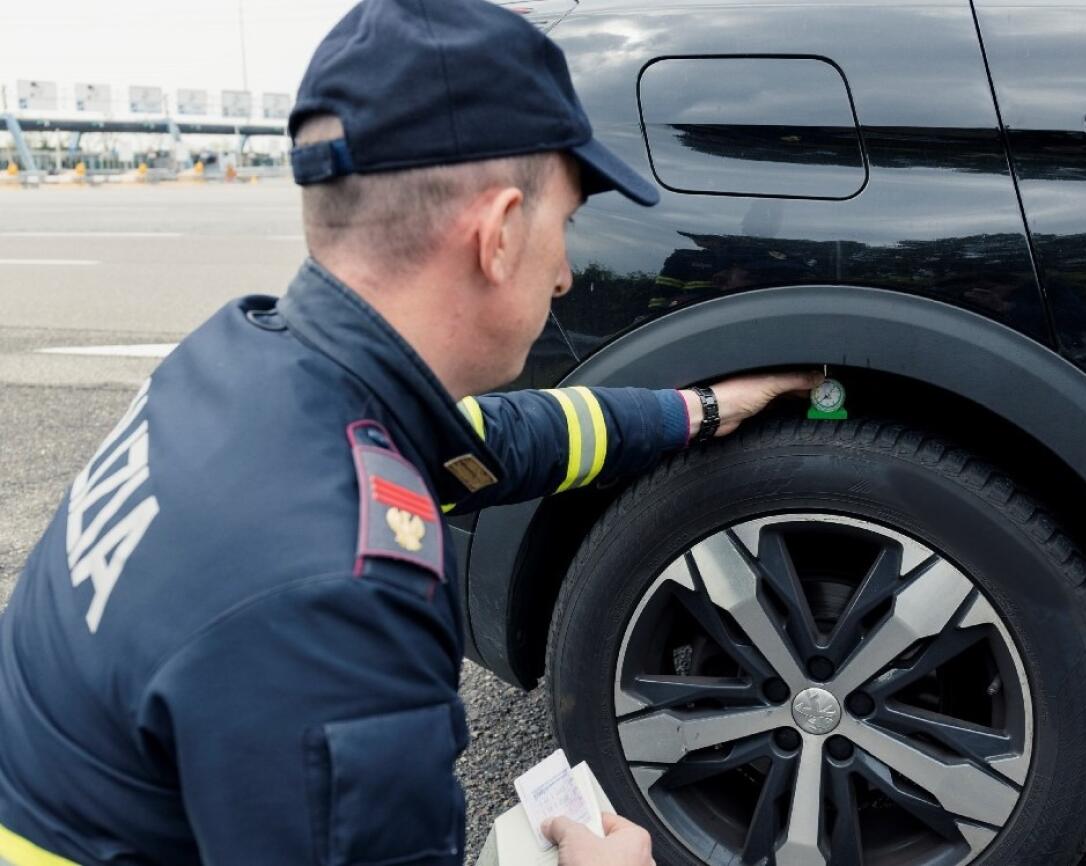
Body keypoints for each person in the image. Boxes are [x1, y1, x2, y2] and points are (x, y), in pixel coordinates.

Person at [0, 2, 822, 865]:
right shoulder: (339, 596)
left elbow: (497, 441)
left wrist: (701, 409)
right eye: (565, 225)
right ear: (500, 234)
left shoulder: (247, 363)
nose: (568, 271)